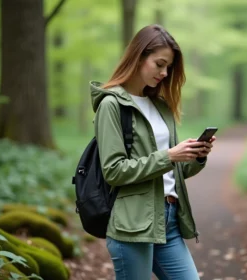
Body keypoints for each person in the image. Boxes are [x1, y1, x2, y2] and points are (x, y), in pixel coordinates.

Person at [90, 24, 215, 280]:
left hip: (168, 221)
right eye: (159, 64)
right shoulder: (111, 105)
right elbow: (114, 171)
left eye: (168, 67)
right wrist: (169, 155)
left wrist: (196, 155)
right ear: (139, 56)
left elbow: (172, 171)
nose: (164, 72)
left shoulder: (160, 106)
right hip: (132, 225)